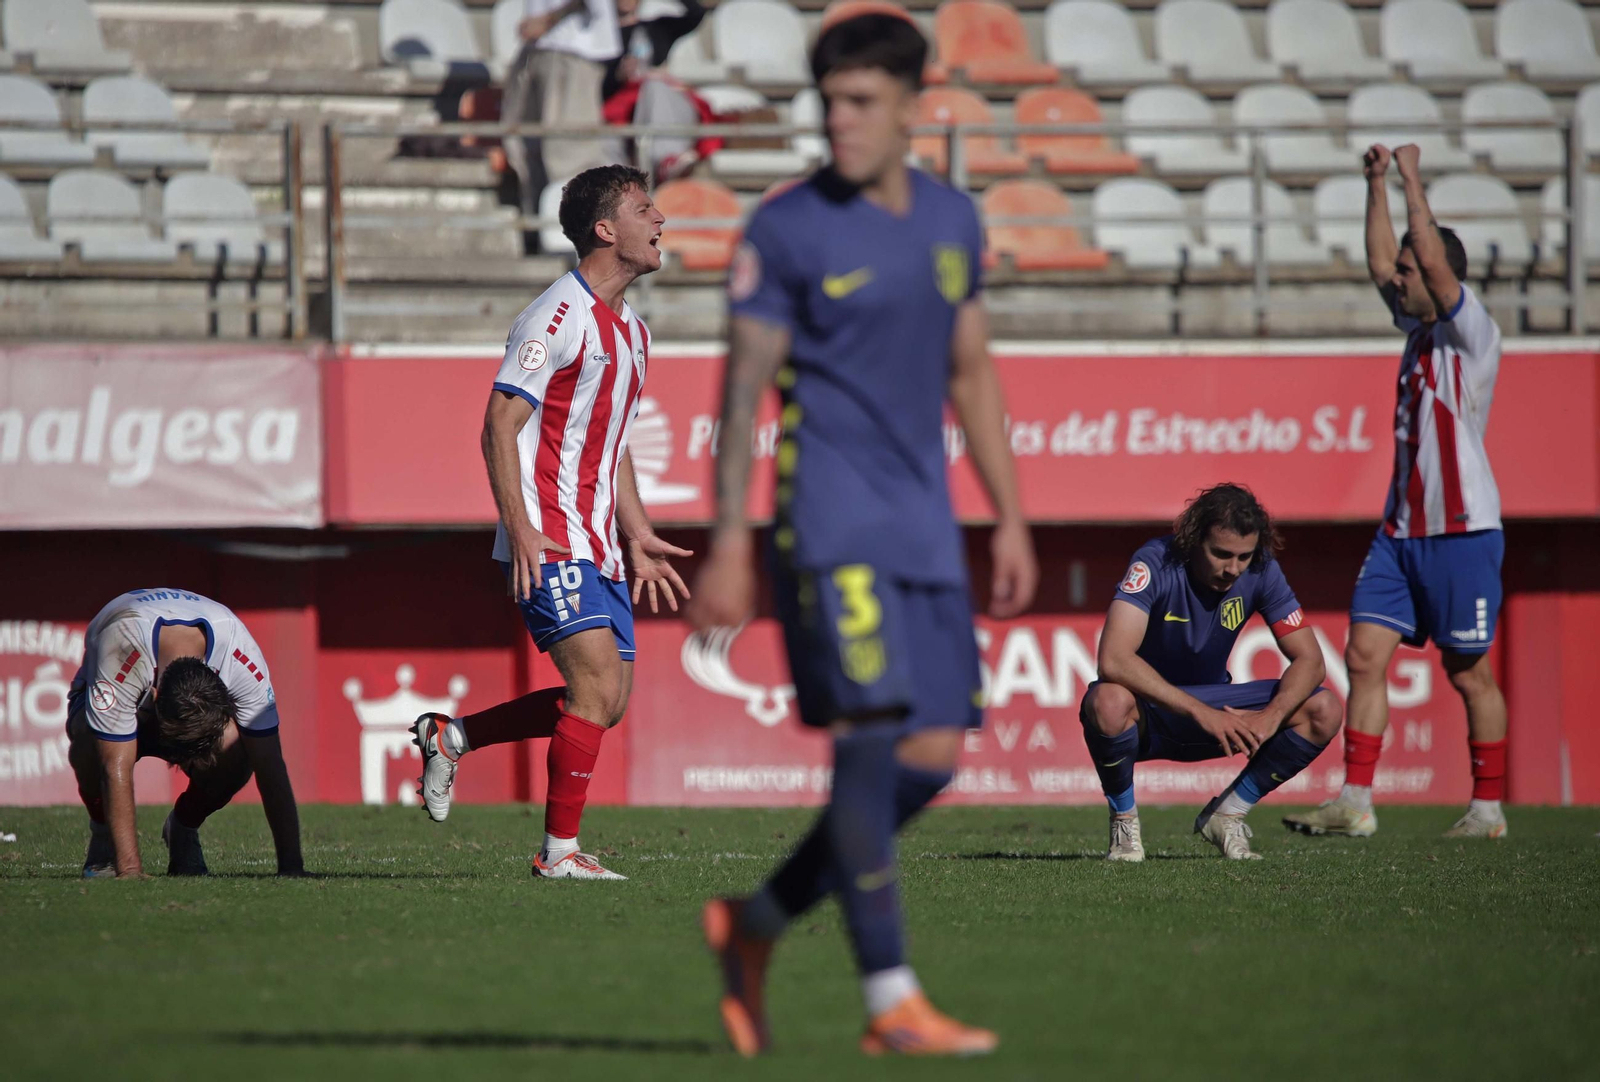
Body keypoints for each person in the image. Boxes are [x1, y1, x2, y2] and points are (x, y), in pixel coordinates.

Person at [688, 14, 1038, 1057]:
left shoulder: (951, 222)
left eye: (860, 103)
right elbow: (741, 390)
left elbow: (970, 368)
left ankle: (751, 924)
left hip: (925, 525)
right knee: (871, 737)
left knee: (931, 758)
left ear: (913, 108)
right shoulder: (785, 229)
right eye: (827, 102)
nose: (837, 122)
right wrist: (730, 541)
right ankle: (890, 998)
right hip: (827, 522)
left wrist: (1009, 512)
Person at [410, 164, 689, 881]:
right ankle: (558, 854)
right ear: (605, 230)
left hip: (599, 540)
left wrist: (637, 531)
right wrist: (523, 527)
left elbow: (612, 441)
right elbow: (500, 424)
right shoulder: (555, 317)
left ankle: (452, 737)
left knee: (605, 703)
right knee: (595, 690)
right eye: (643, 206)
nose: (661, 217)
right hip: (551, 536)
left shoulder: (632, 330)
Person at [1285, 144, 1509, 841]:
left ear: (1439, 276)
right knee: (1363, 657)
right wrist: (1375, 183)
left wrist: (1412, 179)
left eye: (1411, 270)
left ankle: (1488, 810)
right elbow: (1384, 261)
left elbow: (1427, 262)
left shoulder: (1470, 333)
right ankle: (1355, 802)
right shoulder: (1415, 332)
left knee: (1469, 673)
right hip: (1401, 531)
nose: (1397, 278)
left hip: (1462, 531)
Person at [1081, 485, 1340, 862]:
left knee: (1325, 709)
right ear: (1192, 539)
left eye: (1243, 557)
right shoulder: (1154, 562)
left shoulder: (1263, 569)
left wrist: (1271, 716)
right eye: (1220, 554)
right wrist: (1201, 712)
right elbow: (1114, 660)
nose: (1233, 568)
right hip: (1152, 713)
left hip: (1218, 712)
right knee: (1108, 700)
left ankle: (1228, 813)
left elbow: (1311, 661)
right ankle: (1124, 825)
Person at [67, 588, 305, 878]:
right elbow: (113, 764)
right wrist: (129, 871)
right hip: (126, 687)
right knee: (89, 739)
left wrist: (292, 868)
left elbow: (270, 763)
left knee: (238, 749)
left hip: (166, 694)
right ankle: (103, 836)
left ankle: (183, 828)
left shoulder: (240, 657)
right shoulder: (124, 645)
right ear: (154, 699)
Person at [503, 0, 623, 226]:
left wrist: (548, 21)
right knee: (527, 151)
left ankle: (575, 238)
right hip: (539, 50)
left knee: (570, 156)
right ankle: (540, 232)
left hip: (570, 51)